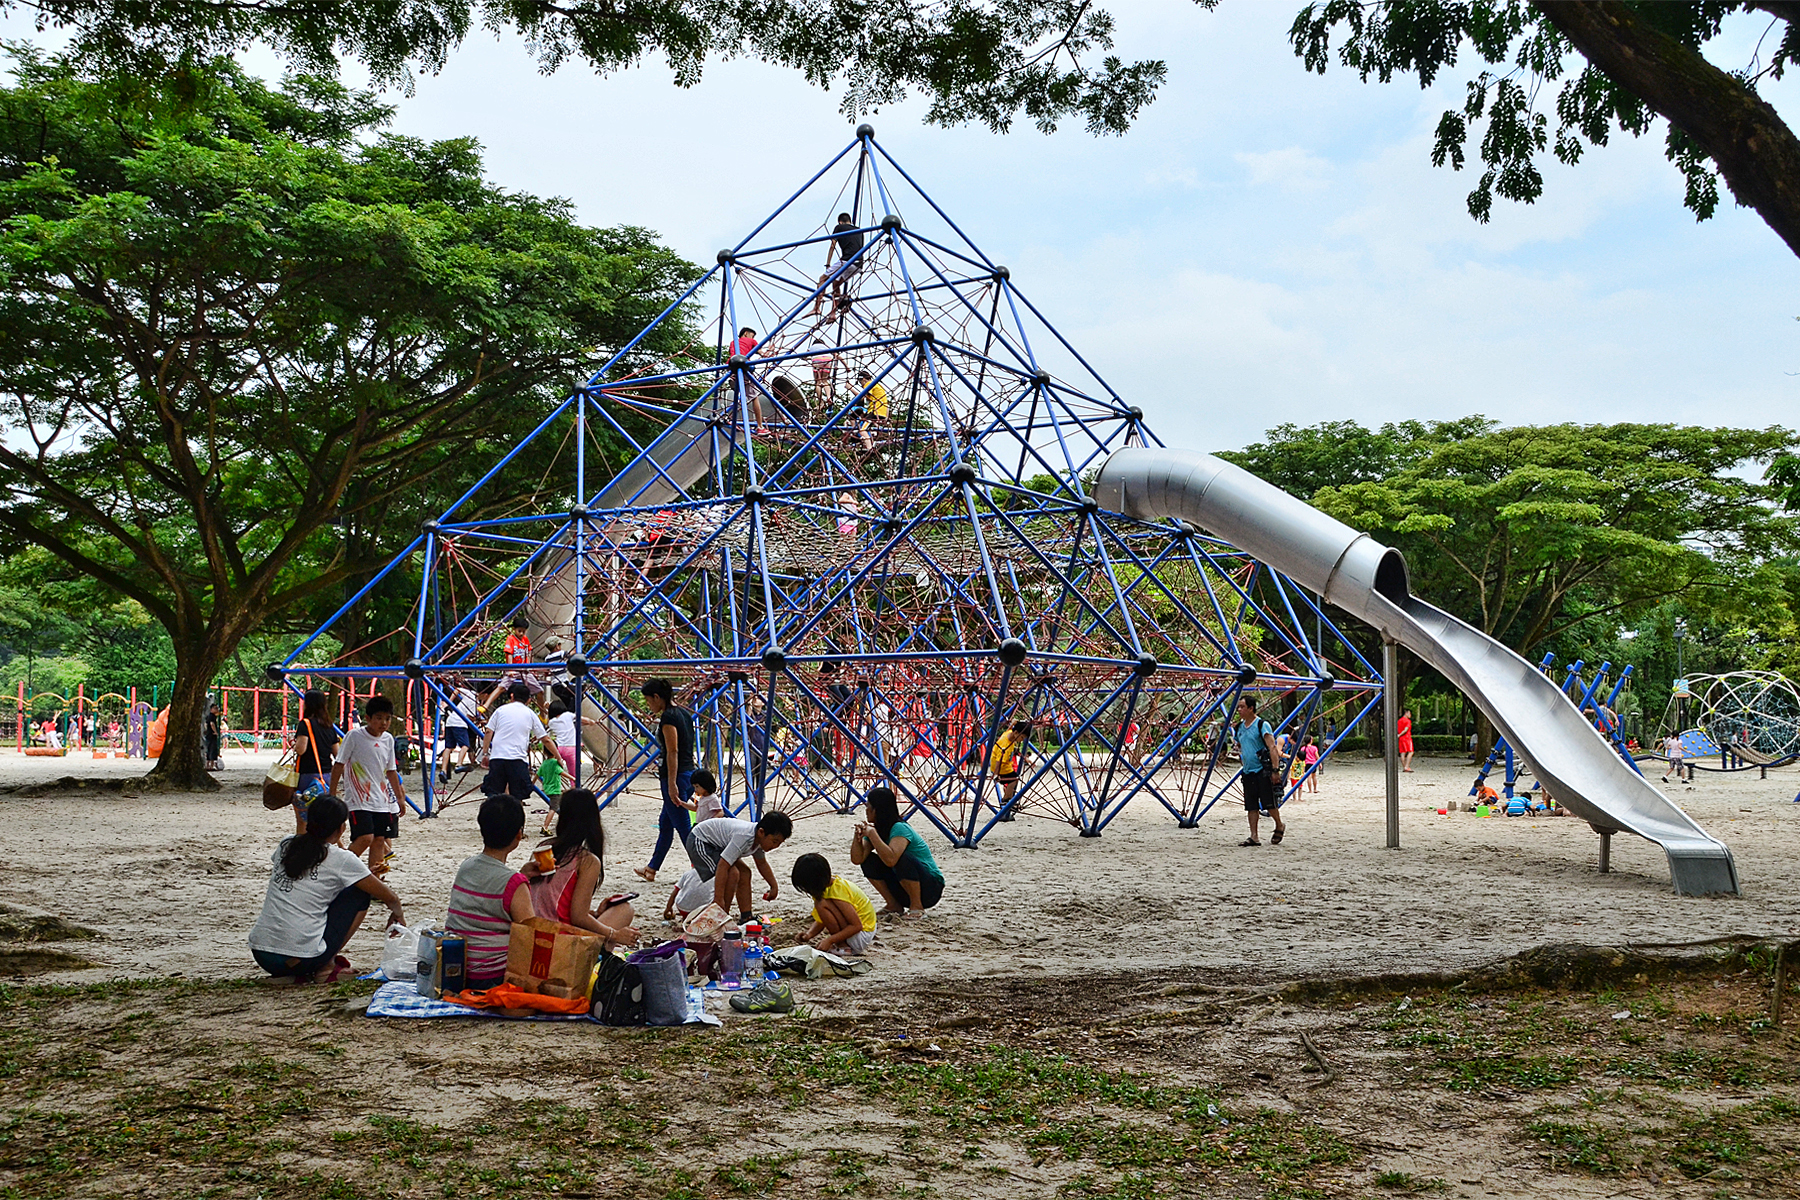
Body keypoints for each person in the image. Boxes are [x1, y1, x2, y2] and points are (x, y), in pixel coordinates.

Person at [248, 794, 405, 983]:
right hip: (301, 958)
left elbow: (310, 881)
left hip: (262, 954)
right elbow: (390, 897)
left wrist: (362, 876)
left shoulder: (286, 844)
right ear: (341, 828)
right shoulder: (341, 858)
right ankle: (326, 967)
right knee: (360, 894)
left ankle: (292, 975)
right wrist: (398, 914)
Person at [524, 789, 638, 951]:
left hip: (533, 936)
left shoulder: (544, 847)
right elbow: (578, 917)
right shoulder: (586, 861)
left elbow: (550, 904)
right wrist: (614, 934)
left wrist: (595, 914)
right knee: (625, 910)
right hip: (560, 945)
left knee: (606, 917)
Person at [446, 795, 537, 990]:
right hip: (492, 974)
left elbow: (489, 896)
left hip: (455, 969)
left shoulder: (466, 866)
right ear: (518, 835)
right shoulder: (514, 883)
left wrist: (522, 875)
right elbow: (529, 937)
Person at [330, 695, 407, 877]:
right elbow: (339, 764)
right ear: (368, 718)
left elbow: (391, 771)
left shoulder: (388, 739)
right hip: (358, 799)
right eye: (379, 718)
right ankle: (338, 871)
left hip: (382, 800)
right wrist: (332, 794)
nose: (383, 723)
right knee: (365, 838)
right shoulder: (354, 736)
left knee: (379, 840)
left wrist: (400, 798)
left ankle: (375, 882)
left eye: (387, 718)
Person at [634, 677, 696, 884]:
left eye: (649, 701)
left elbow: (673, 751)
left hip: (676, 774)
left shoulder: (669, 717)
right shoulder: (684, 714)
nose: (649, 706)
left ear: (657, 697)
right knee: (666, 823)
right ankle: (652, 868)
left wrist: (671, 784)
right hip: (687, 772)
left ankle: (703, 865)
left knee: (682, 825)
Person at [850, 786, 944, 915]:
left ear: (877, 810)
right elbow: (857, 859)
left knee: (901, 858)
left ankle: (917, 906)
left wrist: (873, 835)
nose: (866, 810)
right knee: (869, 860)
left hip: (930, 889)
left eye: (868, 806)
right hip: (902, 886)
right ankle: (893, 904)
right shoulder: (876, 830)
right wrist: (857, 838)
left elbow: (891, 860)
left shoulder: (900, 828)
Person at [684, 812, 793, 921]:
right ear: (761, 832)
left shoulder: (759, 839)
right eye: (774, 841)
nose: (775, 846)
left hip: (718, 845)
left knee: (745, 872)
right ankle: (721, 914)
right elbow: (723, 865)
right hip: (700, 840)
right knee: (733, 873)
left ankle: (746, 916)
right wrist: (718, 898)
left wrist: (773, 886)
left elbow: (762, 863)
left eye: (779, 843)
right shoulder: (745, 836)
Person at [480, 682, 558, 802]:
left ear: (512, 696)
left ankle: (494, 818)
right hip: (517, 760)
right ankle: (516, 819)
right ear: (529, 700)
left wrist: (485, 753)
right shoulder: (530, 713)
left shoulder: (500, 710)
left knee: (494, 795)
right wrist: (558, 756)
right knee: (518, 796)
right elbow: (545, 739)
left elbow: (488, 732)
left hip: (498, 758)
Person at [791, 852, 878, 955]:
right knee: (821, 905)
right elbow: (822, 919)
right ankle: (842, 943)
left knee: (821, 904)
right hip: (860, 932)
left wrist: (830, 940)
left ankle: (843, 946)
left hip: (862, 934)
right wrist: (809, 935)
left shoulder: (837, 893)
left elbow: (856, 926)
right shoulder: (827, 888)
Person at [1234, 696, 1284, 847]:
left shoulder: (1262, 725)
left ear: (1251, 708)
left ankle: (1279, 825)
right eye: (1238, 707)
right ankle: (1254, 836)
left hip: (1262, 770)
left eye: (1242, 707)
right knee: (1251, 805)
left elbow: (1272, 748)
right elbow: (1240, 745)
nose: (1239, 710)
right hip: (1248, 771)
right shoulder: (1239, 728)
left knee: (1269, 803)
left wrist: (1275, 770)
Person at [291, 690, 339, 836]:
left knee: (303, 816)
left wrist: (294, 744)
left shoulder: (305, 724)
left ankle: (301, 846)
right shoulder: (329, 726)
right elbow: (337, 753)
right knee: (323, 816)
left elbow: (301, 749)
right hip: (326, 776)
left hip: (308, 775)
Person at [440, 674, 481, 780]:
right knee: (465, 745)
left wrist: (450, 702)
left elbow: (457, 690)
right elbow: (469, 718)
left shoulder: (471, 696)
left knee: (449, 747)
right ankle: (459, 764)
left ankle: (443, 770)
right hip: (459, 723)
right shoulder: (474, 698)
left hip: (450, 721)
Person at [988, 720, 1031, 814]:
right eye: (1022, 737)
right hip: (1000, 769)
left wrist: (1013, 723)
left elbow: (1010, 729)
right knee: (1014, 779)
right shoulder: (1005, 744)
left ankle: (1009, 798)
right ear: (1016, 733)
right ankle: (1006, 799)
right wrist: (996, 775)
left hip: (1005, 766)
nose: (1022, 740)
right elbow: (999, 761)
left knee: (1014, 779)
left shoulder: (1009, 734)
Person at [853, 369, 888, 450]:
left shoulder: (869, 384)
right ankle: (870, 444)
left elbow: (862, 397)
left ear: (864, 379)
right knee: (867, 427)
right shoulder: (877, 385)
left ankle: (869, 448)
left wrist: (850, 388)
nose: (861, 384)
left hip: (875, 412)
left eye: (860, 381)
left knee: (862, 430)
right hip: (881, 412)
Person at [204, 700, 223, 770]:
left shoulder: (208, 716)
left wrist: (206, 730)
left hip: (208, 734)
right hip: (211, 735)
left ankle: (208, 765)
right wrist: (215, 732)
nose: (217, 710)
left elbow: (206, 724)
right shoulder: (212, 717)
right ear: (211, 709)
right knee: (212, 749)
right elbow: (212, 724)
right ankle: (211, 766)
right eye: (215, 708)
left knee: (209, 749)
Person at [1397, 708, 1415, 773]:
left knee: (1402, 753)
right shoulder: (1407, 721)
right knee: (1411, 752)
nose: (1410, 715)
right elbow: (1406, 729)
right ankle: (1407, 766)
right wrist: (1400, 734)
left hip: (1401, 739)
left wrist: (1398, 735)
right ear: (1406, 713)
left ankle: (1404, 766)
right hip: (1406, 738)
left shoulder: (1399, 721)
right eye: (1409, 713)